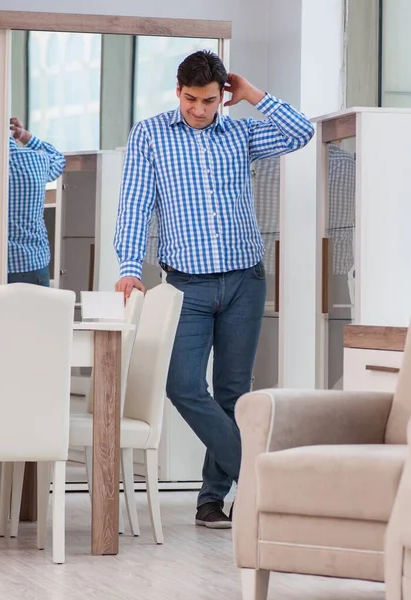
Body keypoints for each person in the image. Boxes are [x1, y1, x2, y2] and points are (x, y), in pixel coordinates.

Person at [114, 50, 314, 529]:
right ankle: (261, 476)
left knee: (231, 394)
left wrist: (253, 95)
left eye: (209, 101)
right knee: (182, 385)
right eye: (190, 99)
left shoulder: (241, 133)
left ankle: (211, 501)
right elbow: (135, 204)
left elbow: (301, 132)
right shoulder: (151, 135)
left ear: (222, 96)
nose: (199, 110)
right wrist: (128, 265)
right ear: (177, 90)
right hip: (187, 285)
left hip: (245, 280)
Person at [7, 117, 66, 286]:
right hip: (33, 263)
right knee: (38, 313)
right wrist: (25, 137)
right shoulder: (37, 160)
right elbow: (59, 158)